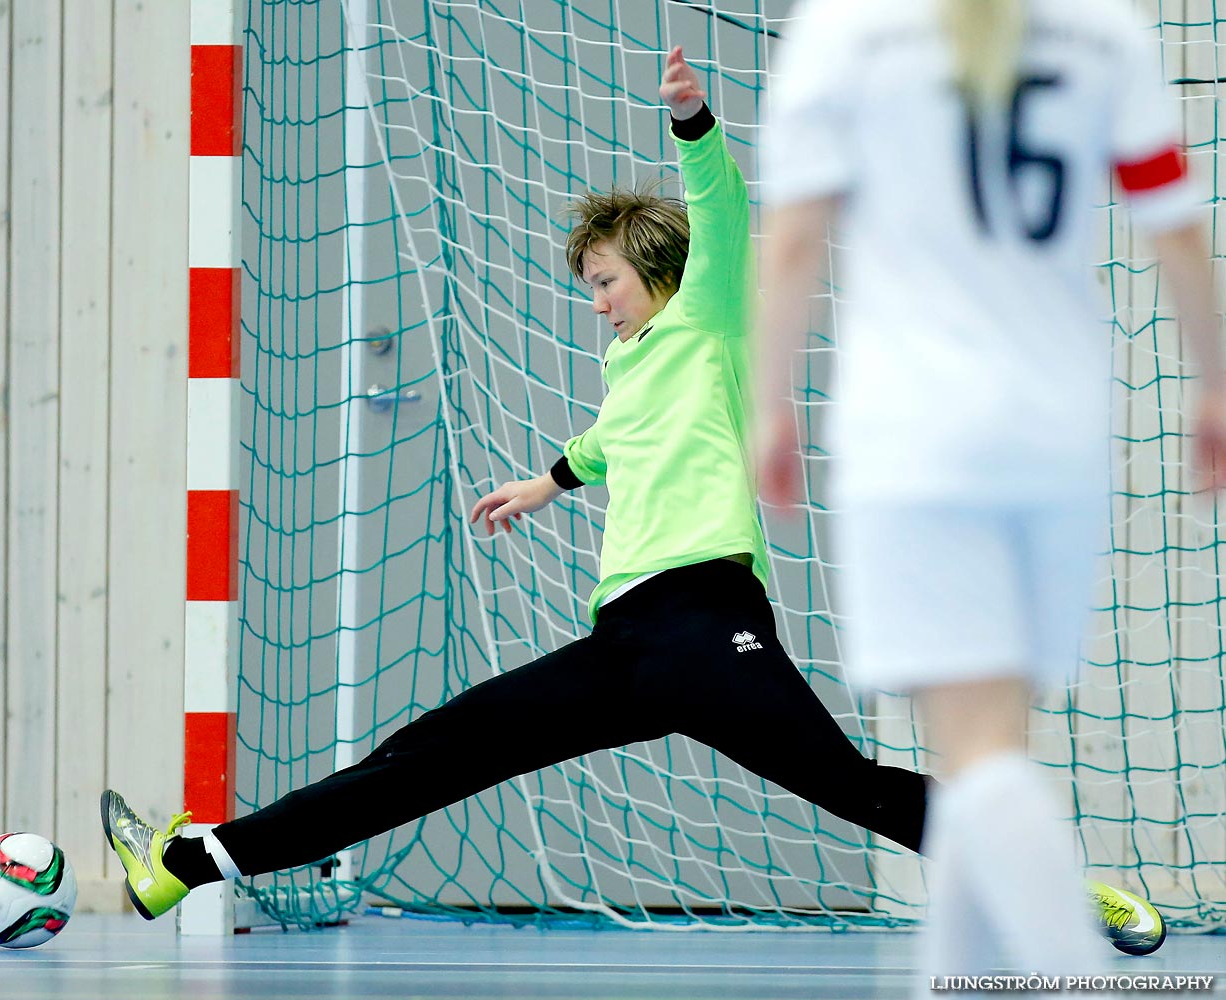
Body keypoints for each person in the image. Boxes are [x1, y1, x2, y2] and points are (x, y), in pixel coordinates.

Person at [102, 46, 1151, 953]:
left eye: (605, 280)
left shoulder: (708, 321)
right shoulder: (633, 368)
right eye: (589, 285)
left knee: (863, 789)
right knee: (430, 753)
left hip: (710, 626)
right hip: (625, 645)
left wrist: (692, 120)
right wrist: (545, 483)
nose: (596, 301)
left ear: (657, 274)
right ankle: (195, 858)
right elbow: (613, 442)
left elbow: (723, 209)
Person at [754, 0, 1222, 982]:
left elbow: (794, 239)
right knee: (987, 748)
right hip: (1056, 436)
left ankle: (1072, 978)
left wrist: (770, 407)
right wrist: (1215, 384)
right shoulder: (1105, 31)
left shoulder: (847, 31)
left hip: (917, 435)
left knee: (978, 755)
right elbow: (1175, 226)